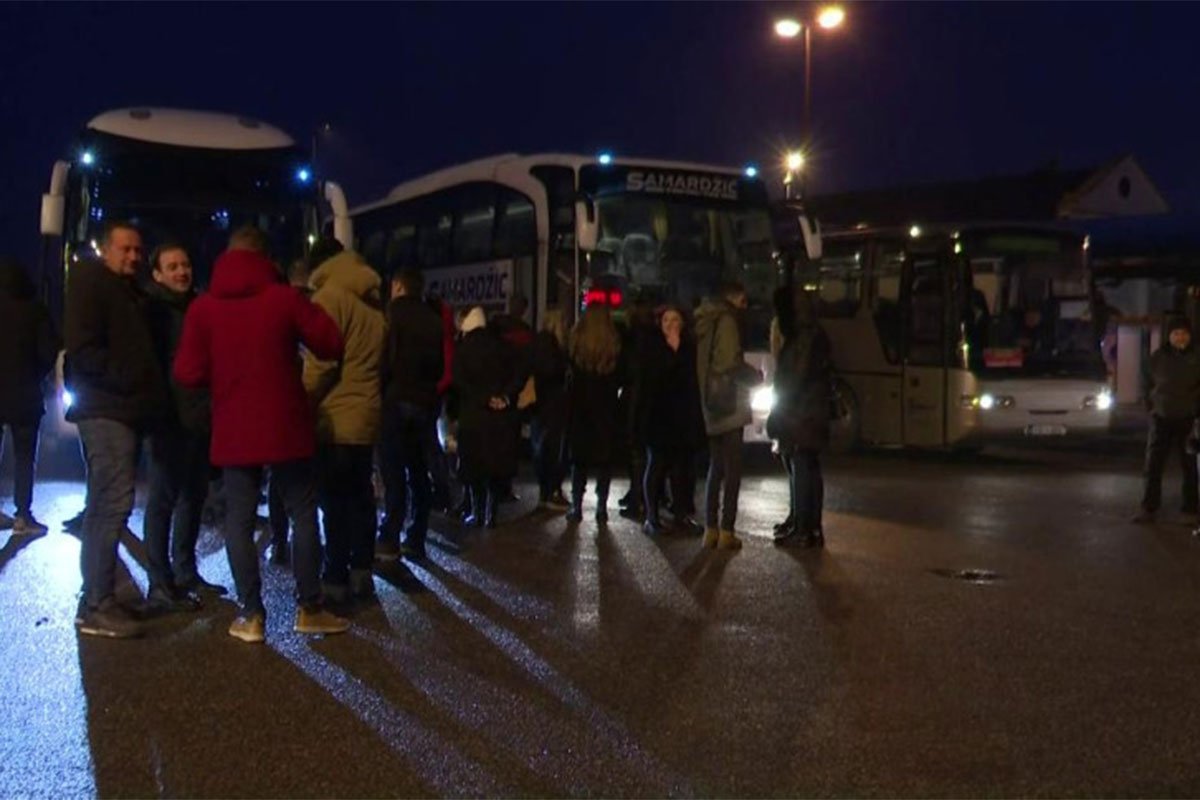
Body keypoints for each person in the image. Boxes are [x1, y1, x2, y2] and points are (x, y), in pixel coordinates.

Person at [174, 225, 349, 643]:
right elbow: (331, 343)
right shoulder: (285, 299)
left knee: (239, 519)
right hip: (285, 423)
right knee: (303, 512)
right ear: (266, 258)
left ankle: (251, 615)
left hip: (234, 426)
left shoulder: (204, 308)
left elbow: (187, 372)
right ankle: (310, 608)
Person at [65, 221, 169, 638]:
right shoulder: (93, 285)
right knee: (112, 502)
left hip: (117, 407)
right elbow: (84, 349)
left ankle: (95, 595)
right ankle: (98, 605)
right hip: (106, 408)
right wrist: (129, 379)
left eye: (138, 250)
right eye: (125, 249)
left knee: (105, 502)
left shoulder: (127, 292)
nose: (133, 257)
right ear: (105, 251)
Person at [141, 243, 224, 607]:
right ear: (157, 274)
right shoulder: (151, 311)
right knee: (162, 501)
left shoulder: (202, 308)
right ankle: (159, 581)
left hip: (201, 419)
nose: (181, 272)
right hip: (169, 420)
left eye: (185, 264)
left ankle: (186, 571)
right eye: (172, 266)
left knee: (194, 498)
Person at [303, 246, 387, 601]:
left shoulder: (330, 298)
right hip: (366, 412)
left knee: (334, 500)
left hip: (335, 414)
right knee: (361, 496)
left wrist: (303, 399)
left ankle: (334, 576)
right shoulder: (373, 303)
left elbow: (322, 361)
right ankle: (361, 569)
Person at [378, 269, 443, 560]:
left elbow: (384, 360)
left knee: (393, 473)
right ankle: (417, 535)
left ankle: (390, 536)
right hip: (425, 402)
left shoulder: (392, 315)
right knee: (418, 471)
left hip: (396, 399)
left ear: (399, 286)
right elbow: (439, 366)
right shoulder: (433, 319)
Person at [694, 281, 762, 550]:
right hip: (728, 402)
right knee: (732, 469)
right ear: (734, 299)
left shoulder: (704, 320)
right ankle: (726, 530)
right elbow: (729, 362)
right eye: (744, 302)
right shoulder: (727, 321)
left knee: (716, 466)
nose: (746, 308)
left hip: (710, 400)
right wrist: (754, 377)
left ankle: (710, 528)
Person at [767, 286, 834, 548]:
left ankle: (804, 529)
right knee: (807, 467)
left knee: (802, 466)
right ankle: (808, 527)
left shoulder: (803, 337)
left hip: (802, 411)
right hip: (810, 409)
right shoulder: (812, 332)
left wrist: (781, 411)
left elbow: (794, 378)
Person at [0, 258, 59, 535]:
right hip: (25, 395)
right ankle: (23, 516)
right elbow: (48, 353)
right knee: (25, 456)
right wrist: (35, 375)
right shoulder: (36, 311)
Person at [635, 305, 704, 535]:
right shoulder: (652, 347)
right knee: (656, 465)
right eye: (667, 321)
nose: (672, 325)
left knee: (680, 468)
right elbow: (651, 380)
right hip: (658, 416)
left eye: (676, 320)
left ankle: (681, 514)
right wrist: (670, 354)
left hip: (681, 416)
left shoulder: (689, 346)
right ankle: (651, 516)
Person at [452, 307, 523, 528]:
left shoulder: (464, 348)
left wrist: (483, 399)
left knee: (474, 469)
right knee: (494, 469)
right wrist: (504, 397)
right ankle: (491, 515)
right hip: (498, 417)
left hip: (474, 415)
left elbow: (459, 382)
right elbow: (518, 374)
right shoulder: (503, 347)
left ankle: (476, 511)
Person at [1134, 314, 1200, 524]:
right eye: (1176, 333)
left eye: (1184, 334)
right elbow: (1145, 382)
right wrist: (1150, 406)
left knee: (1189, 466)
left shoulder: (1197, 357)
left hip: (1188, 418)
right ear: (1169, 336)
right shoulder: (1157, 358)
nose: (1180, 338)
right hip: (1161, 417)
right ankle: (1149, 508)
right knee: (1153, 465)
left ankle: (1190, 510)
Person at [565, 303, 623, 524]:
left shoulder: (576, 342)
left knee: (579, 462)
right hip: (606, 408)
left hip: (581, 408)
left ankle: (576, 505)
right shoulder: (613, 345)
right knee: (604, 461)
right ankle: (601, 507)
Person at [531, 308, 570, 509]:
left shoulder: (541, 342)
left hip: (544, 403)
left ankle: (547, 491)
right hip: (551, 403)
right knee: (552, 449)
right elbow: (551, 370)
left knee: (545, 447)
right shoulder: (550, 344)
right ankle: (550, 491)